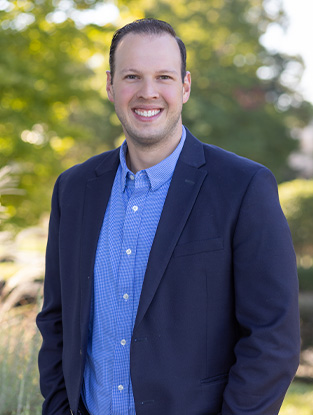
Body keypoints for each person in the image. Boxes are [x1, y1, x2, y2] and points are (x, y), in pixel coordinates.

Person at [37, 18, 300, 415]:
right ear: (110, 85)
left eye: (163, 76)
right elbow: (57, 321)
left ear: (185, 86)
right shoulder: (73, 190)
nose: (148, 93)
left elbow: (273, 338)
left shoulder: (243, 187)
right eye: (132, 76)